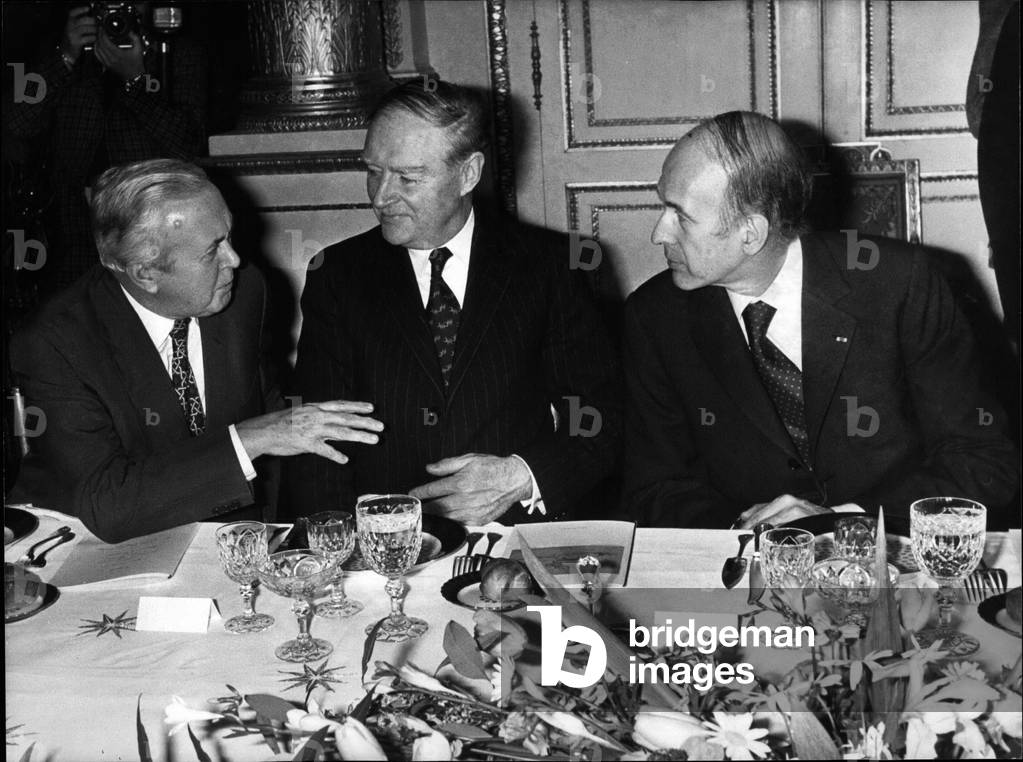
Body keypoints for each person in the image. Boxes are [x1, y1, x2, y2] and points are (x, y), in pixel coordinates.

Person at [622, 111, 1019, 530]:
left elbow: (984, 462)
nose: (659, 233)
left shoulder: (901, 285)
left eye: (679, 215)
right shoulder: (655, 317)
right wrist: (759, 531)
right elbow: (656, 487)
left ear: (751, 233)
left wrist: (846, 521)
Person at [287, 81, 621, 525]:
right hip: (384, 547)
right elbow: (318, 445)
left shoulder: (553, 267)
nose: (381, 196)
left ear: (468, 174)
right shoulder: (337, 275)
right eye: (372, 171)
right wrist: (339, 558)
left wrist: (524, 475)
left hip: (519, 538)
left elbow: (604, 414)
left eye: (407, 177)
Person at [9, 159, 383, 543]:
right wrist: (248, 439)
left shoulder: (244, 293)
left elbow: (276, 421)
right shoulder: (55, 343)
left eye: (229, 237)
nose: (234, 260)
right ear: (145, 273)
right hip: (85, 549)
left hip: (219, 535)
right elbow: (107, 503)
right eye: (212, 251)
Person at [5, 3, 206, 295]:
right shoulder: (65, 51)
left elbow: (188, 145)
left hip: (154, 239)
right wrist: (64, 57)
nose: (118, 14)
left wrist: (135, 79)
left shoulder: (175, 51)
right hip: (72, 247)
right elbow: (16, 122)